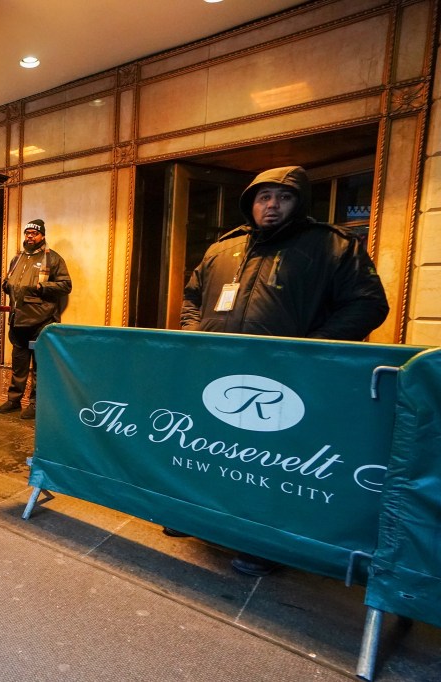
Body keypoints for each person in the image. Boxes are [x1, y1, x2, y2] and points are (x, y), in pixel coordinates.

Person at [177, 165, 389, 576]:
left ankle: (263, 543)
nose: (271, 205)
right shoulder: (224, 248)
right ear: (250, 203)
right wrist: (193, 335)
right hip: (216, 371)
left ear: (299, 202)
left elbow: (368, 304)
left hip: (286, 380)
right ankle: (197, 517)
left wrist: (311, 348)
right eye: (263, 197)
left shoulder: (331, 245)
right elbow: (192, 297)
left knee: (268, 464)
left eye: (283, 197)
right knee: (207, 450)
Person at [0, 219, 72, 420]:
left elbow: (66, 285)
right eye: (27, 233)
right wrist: (6, 285)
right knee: (19, 363)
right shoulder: (18, 258)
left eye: (34, 233)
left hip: (42, 321)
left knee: (40, 364)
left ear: (42, 236)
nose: (30, 236)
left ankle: (36, 404)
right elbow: (9, 281)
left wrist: (42, 287)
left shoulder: (53, 258)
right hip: (17, 319)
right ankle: (14, 400)